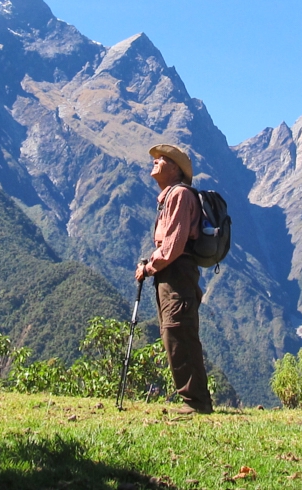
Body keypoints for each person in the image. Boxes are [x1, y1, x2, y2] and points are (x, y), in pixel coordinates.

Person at [135, 143, 214, 414]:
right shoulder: (170, 197)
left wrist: (148, 268)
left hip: (177, 274)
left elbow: (174, 246)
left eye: (163, 159)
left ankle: (196, 402)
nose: (155, 160)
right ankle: (194, 400)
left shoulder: (179, 195)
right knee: (174, 332)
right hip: (172, 273)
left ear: (175, 169)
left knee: (178, 331)